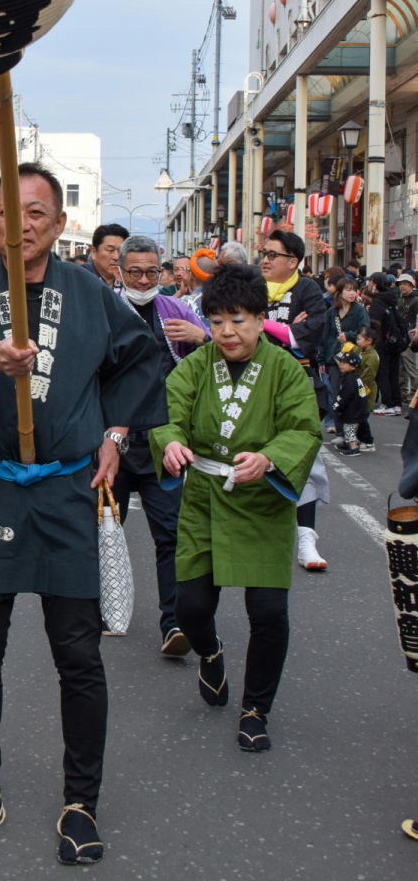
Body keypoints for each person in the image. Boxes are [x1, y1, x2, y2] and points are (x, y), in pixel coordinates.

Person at [0, 162, 162, 864]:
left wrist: (115, 435)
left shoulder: (90, 292)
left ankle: (81, 802)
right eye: (5, 212)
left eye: (35, 213)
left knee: (78, 655)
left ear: (57, 224)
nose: (20, 224)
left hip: (65, 489)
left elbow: (139, 362)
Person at [150, 264, 322, 754]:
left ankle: (255, 709)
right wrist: (171, 442)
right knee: (192, 607)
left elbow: (305, 430)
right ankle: (211, 652)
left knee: (267, 612)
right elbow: (170, 412)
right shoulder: (197, 364)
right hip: (205, 496)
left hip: (261, 501)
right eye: (218, 320)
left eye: (239, 319)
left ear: (260, 319)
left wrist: (270, 457)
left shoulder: (286, 369)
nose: (227, 331)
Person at [113, 234, 206, 654]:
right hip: (110, 442)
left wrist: (200, 337)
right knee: (102, 530)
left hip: (162, 441)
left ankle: (174, 623)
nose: (145, 278)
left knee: (170, 534)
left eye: (152, 271)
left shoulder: (178, 309)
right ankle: (103, 609)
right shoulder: (104, 307)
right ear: (120, 271)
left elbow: (214, 363)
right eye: (135, 271)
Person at [260, 230, 330, 571]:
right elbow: (235, 327)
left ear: (292, 261)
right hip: (253, 380)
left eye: (273, 254)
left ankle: (306, 537)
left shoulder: (308, 290)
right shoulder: (251, 286)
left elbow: (305, 339)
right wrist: (282, 328)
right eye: (264, 252)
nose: (265, 259)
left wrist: (267, 326)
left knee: (303, 459)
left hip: (296, 383)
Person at [317, 277, 369, 414]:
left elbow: (366, 329)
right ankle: (339, 430)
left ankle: (353, 428)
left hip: (353, 357)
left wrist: (350, 335)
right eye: (348, 290)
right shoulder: (332, 312)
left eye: (354, 290)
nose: (352, 293)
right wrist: (321, 359)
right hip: (334, 358)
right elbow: (325, 336)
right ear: (340, 292)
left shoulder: (359, 310)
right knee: (336, 394)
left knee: (352, 393)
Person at [369, 271, 406, 415]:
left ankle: (388, 403)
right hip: (395, 342)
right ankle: (396, 404)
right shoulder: (391, 299)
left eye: (371, 281)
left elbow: (374, 324)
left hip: (382, 342)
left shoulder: (377, 301)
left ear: (375, 284)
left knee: (383, 373)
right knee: (393, 373)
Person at [331, 345, 368, 456]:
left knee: (349, 430)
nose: (341, 365)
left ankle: (353, 447)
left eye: (344, 363)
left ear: (353, 366)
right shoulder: (355, 377)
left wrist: (338, 405)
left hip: (352, 411)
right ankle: (349, 443)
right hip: (358, 410)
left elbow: (345, 395)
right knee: (350, 429)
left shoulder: (349, 379)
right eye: (341, 362)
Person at [355, 325, 379, 451]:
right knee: (359, 415)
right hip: (360, 388)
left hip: (366, 390)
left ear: (369, 341)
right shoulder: (361, 351)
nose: (357, 342)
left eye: (359, 339)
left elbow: (367, 377)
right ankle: (360, 438)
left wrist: (356, 387)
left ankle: (368, 441)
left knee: (363, 417)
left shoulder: (371, 356)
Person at [398, 273, 418, 406]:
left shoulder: (415, 299)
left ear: (411, 285)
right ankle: (404, 393)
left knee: (410, 366)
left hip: (410, 335)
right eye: (400, 284)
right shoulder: (400, 299)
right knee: (401, 366)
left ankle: (414, 394)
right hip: (401, 335)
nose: (402, 286)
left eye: (405, 284)